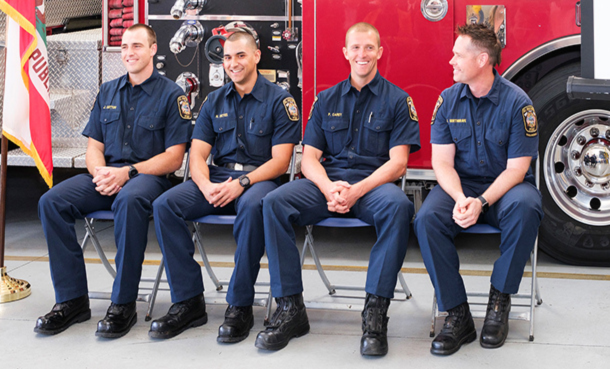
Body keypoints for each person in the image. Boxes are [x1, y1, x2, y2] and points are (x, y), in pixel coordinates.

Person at [255, 22, 421, 356]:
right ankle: (290, 309)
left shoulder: (398, 101)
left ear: (379, 53)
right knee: (273, 202)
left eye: (369, 48)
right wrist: (330, 188)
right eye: (356, 48)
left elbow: (398, 164)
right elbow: (309, 160)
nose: (362, 55)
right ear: (345, 53)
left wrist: (356, 190)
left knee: (400, 208)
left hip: (373, 186)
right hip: (328, 184)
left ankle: (375, 312)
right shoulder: (325, 99)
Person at [34, 24, 192, 338]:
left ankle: (123, 304)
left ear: (152, 49)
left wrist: (128, 173)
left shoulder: (172, 95)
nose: (129, 53)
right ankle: (71, 300)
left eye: (136, 46)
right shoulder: (108, 91)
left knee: (129, 200)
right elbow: (95, 147)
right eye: (124, 47)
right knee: (51, 201)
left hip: (148, 179)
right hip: (108, 176)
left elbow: (175, 157)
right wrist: (100, 173)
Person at [148, 30, 301, 341]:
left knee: (251, 206)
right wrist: (204, 185)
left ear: (256, 56)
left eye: (240, 55)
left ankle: (240, 305)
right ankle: (188, 301)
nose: (233, 63)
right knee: (166, 205)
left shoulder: (280, 100)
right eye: (228, 57)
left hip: (260, 180)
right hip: (216, 178)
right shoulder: (213, 100)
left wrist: (241, 183)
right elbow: (199, 153)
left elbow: (281, 161)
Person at [414, 23, 543, 355]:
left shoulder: (518, 103)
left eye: (458, 55)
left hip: (504, 188)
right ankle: (457, 313)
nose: (451, 62)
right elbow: (441, 163)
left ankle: (499, 301)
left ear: (483, 59)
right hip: (463, 186)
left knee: (527, 208)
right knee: (426, 218)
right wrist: (460, 199)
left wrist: (482, 202)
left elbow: (518, 169)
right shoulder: (448, 101)